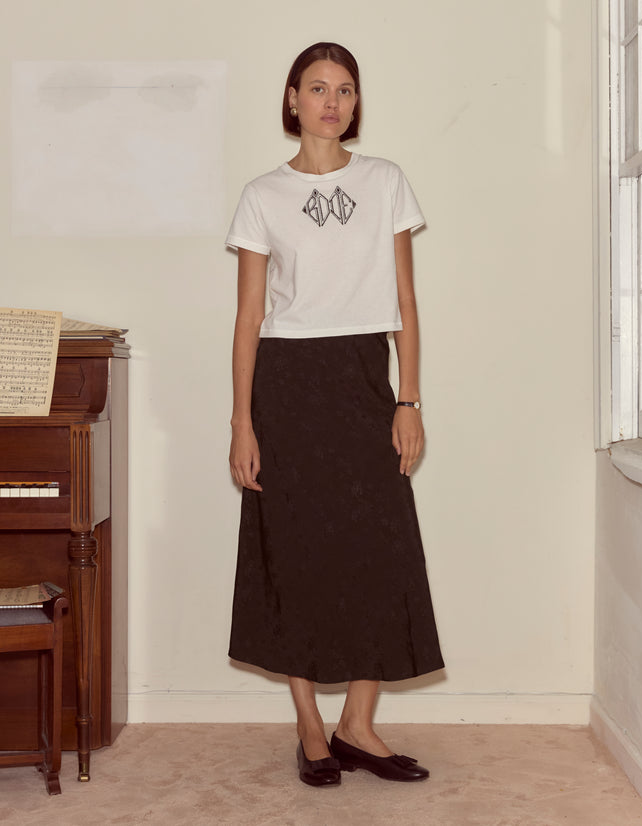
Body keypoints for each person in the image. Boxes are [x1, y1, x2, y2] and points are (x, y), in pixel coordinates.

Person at [226, 42, 444, 787]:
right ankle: (312, 729)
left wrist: (408, 399)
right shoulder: (261, 194)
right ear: (292, 100)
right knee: (292, 551)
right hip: (286, 385)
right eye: (316, 88)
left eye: (345, 89)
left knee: (379, 551)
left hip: (362, 380)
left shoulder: (386, 182)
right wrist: (241, 423)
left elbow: (405, 305)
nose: (331, 101)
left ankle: (358, 724)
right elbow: (250, 315)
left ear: (356, 102)